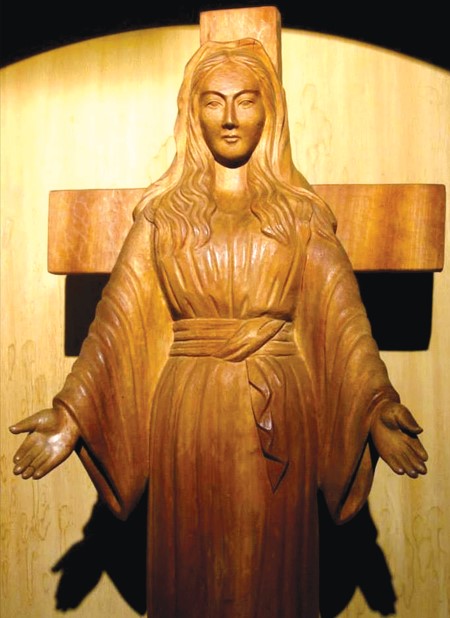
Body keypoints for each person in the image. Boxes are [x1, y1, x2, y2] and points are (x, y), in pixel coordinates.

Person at [10, 39, 428, 617]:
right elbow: (116, 323)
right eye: (213, 101)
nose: (230, 118)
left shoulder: (301, 216)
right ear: (193, 111)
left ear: (269, 110)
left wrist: (375, 406)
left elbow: (342, 321)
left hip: (280, 412)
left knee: (270, 572)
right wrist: (73, 413)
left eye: (246, 100)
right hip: (189, 412)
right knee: (195, 567)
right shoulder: (163, 217)